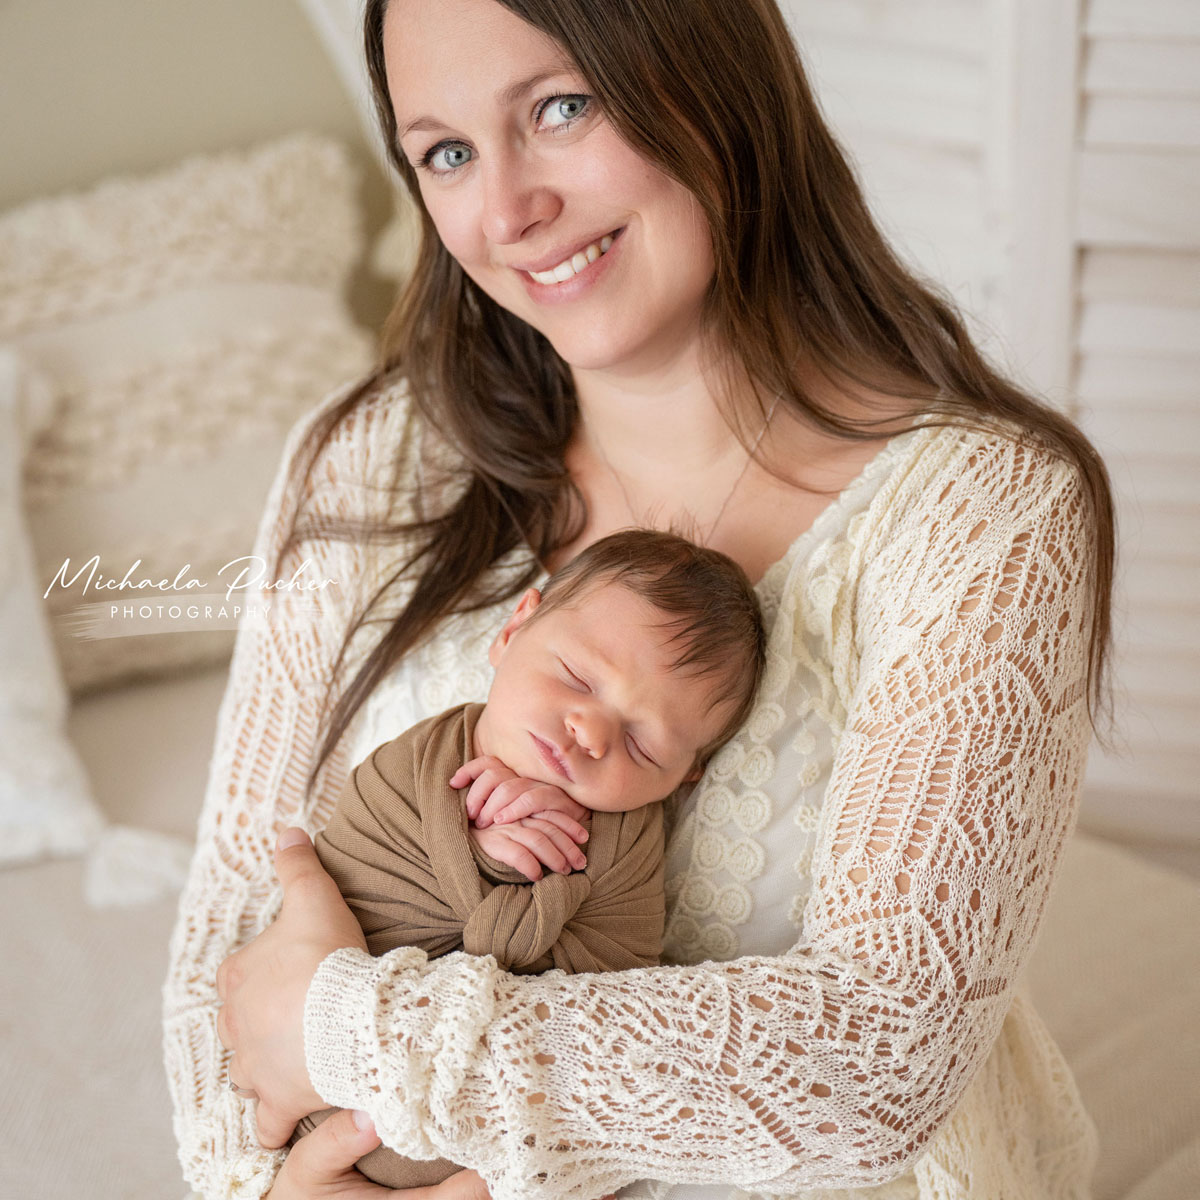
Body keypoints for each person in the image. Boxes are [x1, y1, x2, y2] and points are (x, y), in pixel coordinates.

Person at [163, 0, 1116, 1198]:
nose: (508, 213)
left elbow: (880, 1058)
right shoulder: (365, 460)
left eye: (561, 108)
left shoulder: (987, 514)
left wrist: (348, 1033)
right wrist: (272, 1188)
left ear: (709, 77)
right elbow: (231, 921)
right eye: (446, 152)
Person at [287, 528, 766, 1189]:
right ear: (514, 629)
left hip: (489, 1156)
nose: (592, 732)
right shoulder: (418, 759)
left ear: (684, 777)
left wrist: (522, 884)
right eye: (577, 677)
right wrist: (480, 851)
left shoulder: (628, 847)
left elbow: (611, 992)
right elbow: (351, 870)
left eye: (645, 747)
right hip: (312, 1099)